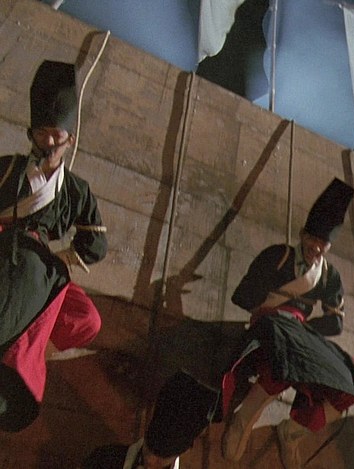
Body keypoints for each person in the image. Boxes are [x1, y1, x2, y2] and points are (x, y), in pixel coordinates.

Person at [221, 178, 354, 462]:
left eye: (323, 244)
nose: (316, 248)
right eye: (312, 239)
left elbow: (335, 323)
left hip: (299, 332)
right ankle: (244, 418)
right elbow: (242, 296)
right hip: (268, 323)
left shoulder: (328, 276)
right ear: (302, 234)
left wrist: (302, 329)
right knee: (285, 358)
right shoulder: (278, 256)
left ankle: (293, 431)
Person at [0, 60, 107, 432]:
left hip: (42, 264)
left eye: (55, 135)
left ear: (70, 139)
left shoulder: (76, 190)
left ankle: (31, 349)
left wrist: (59, 259)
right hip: (5, 251)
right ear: (31, 134)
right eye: (40, 134)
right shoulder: (9, 169)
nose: (47, 143)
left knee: (87, 318)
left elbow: (96, 243)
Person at [81, 370, 220, 469]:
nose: (151, 461)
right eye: (149, 450)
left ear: (185, 451)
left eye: (160, 458)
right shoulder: (104, 459)